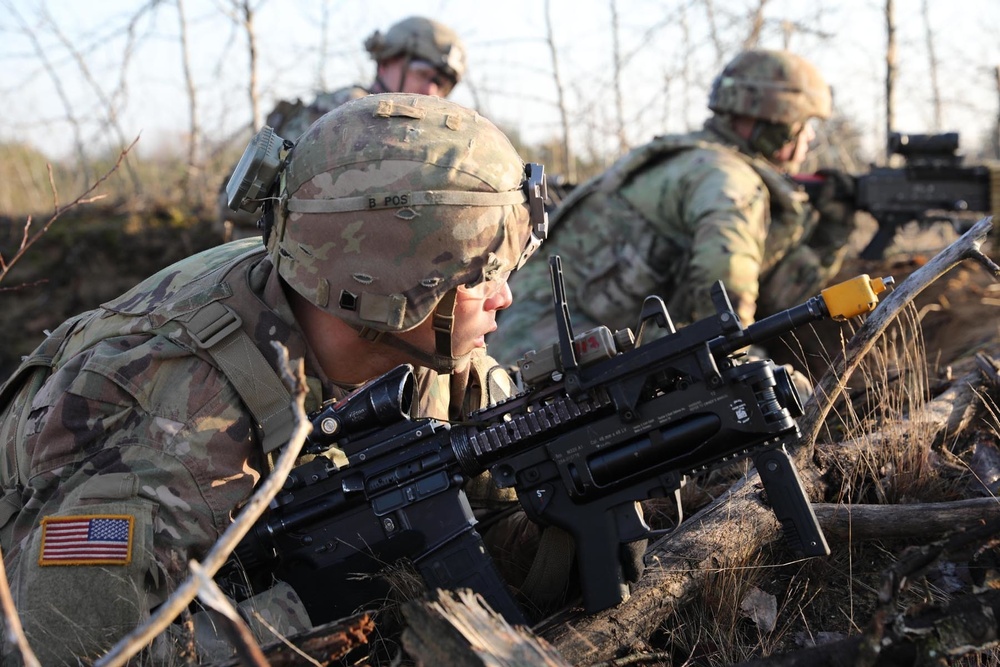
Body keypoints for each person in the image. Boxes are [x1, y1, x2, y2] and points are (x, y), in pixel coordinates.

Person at [0, 94, 552, 665]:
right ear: (386, 292)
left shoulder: (414, 344)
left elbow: (495, 508)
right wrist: (299, 611)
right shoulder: (173, 436)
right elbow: (67, 653)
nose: (504, 298)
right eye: (483, 276)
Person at [487, 49, 858, 367]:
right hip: (554, 356)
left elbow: (774, 299)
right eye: (804, 124)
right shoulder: (730, 181)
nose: (809, 137)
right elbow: (726, 305)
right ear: (777, 120)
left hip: (530, 341)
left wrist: (828, 236)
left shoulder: (688, 157)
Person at [216, 15, 467, 241]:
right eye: (423, 74)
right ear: (386, 63)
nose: (431, 91)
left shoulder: (414, 131)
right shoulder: (352, 112)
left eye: (442, 84)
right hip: (268, 256)